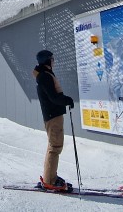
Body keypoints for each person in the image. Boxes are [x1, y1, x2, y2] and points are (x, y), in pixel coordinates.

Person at [33, 49, 75, 192]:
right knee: (55, 147)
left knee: (53, 146)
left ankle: (50, 177)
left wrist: (65, 100)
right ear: (47, 61)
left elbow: (53, 96)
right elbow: (54, 97)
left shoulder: (45, 75)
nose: (54, 61)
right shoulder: (45, 76)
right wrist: (67, 100)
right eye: (52, 59)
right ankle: (50, 181)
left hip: (53, 114)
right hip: (53, 115)